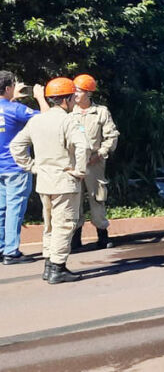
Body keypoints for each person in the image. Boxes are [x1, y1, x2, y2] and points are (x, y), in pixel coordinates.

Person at [10, 77, 88, 284]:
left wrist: (32, 166)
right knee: (65, 224)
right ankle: (58, 268)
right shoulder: (70, 121)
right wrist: (79, 170)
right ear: (68, 99)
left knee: (50, 225)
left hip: (44, 181)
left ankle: (48, 265)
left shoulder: (36, 120)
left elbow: (16, 146)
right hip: (65, 181)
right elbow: (83, 146)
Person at [0, 71, 48, 264]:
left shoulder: (11, 107)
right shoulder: (16, 109)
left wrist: (13, 99)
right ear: (8, 88)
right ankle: (11, 252)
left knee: (1, 209)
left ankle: (2, 247)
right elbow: (45, 118)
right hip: (15, 167)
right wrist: (40, 97)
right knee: (15, 209)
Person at [70, 74, 119, 250]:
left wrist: (101, 153)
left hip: (95, 163)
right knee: (73, 199)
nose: (75, 94)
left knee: (97, 197)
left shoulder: (101, 112)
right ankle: (75, 238)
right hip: (73, 163)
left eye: (78, 91)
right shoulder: (68, 111)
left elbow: (111, 136)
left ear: (88, 93)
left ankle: (102, 235)